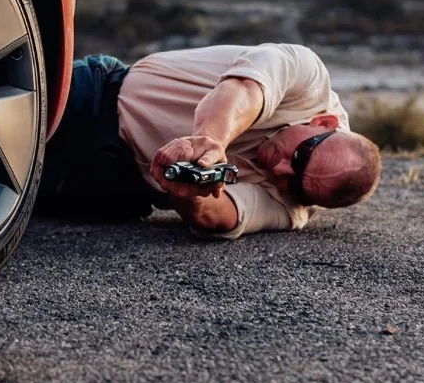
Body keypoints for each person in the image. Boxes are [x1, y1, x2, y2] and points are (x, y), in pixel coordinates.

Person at [35, 44, 381, 239]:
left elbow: (221, 217)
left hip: (107, 185)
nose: (280, 169)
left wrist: (192, 197)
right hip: (94, 96)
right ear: (323, 122)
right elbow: (243, 90)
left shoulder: (293, 209)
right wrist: (210, 141)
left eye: (297, 186)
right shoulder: (307, 77)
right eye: (300, 155)